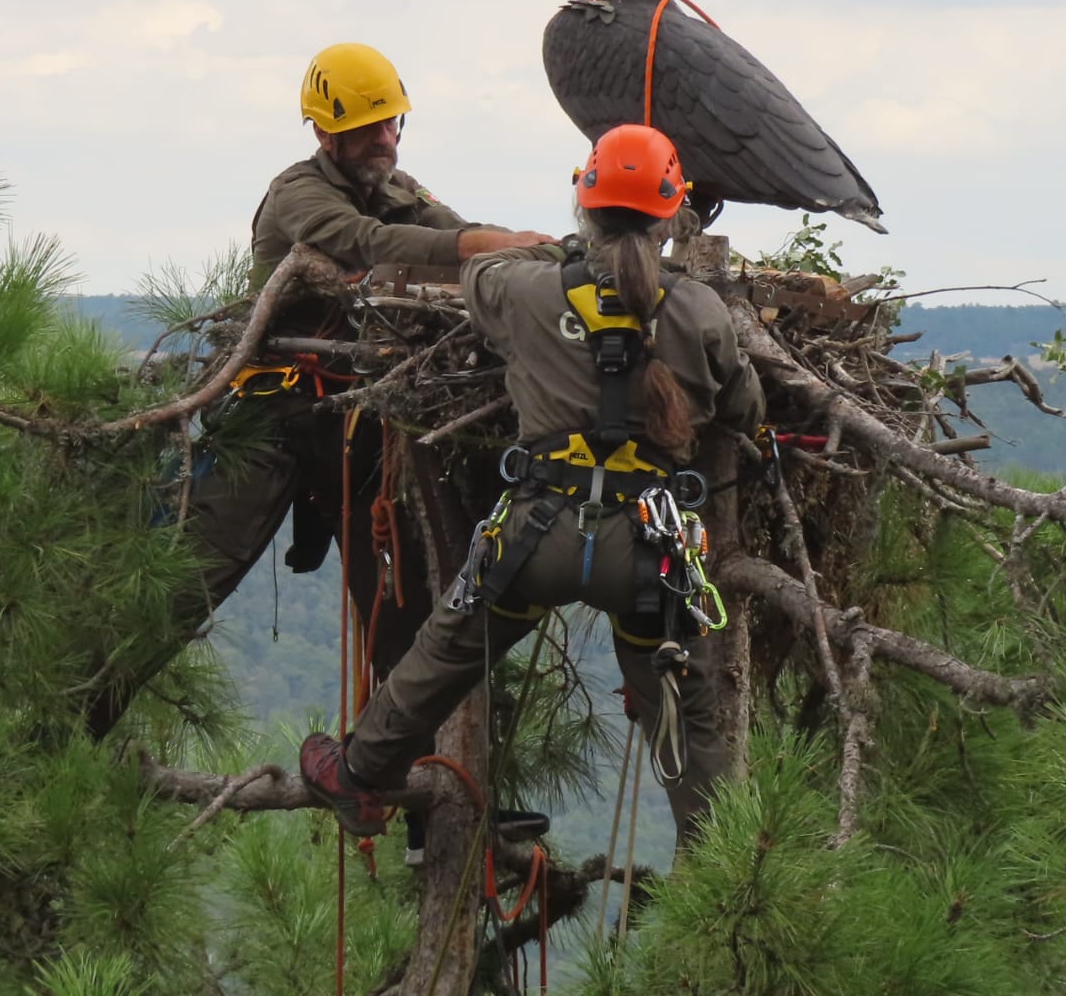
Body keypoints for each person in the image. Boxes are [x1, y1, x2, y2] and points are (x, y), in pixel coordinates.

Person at [298, 122, 765, 844]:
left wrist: (567, 254)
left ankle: (360, 776)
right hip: (647, 555)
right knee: (688, 718)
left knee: (447, 648)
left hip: (535, 539)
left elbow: (482, 275)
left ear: (584, 204)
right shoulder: (700, 313)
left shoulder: (523, 292)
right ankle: (725, 874)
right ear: (673, 214)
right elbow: (743, 407)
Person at [86, 42, 552, 736]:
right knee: (188, 581)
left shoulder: (398, 188)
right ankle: (75, 714)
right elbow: (364, 242)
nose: (385, 139)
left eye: (393, 123)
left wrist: (529, 250)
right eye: (370, 127)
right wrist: (475, 247)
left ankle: (412, 776)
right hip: (276, 419)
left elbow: (446, 229)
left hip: (358, 428)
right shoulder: (298, 193)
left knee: (404, 607)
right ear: (325, 131)